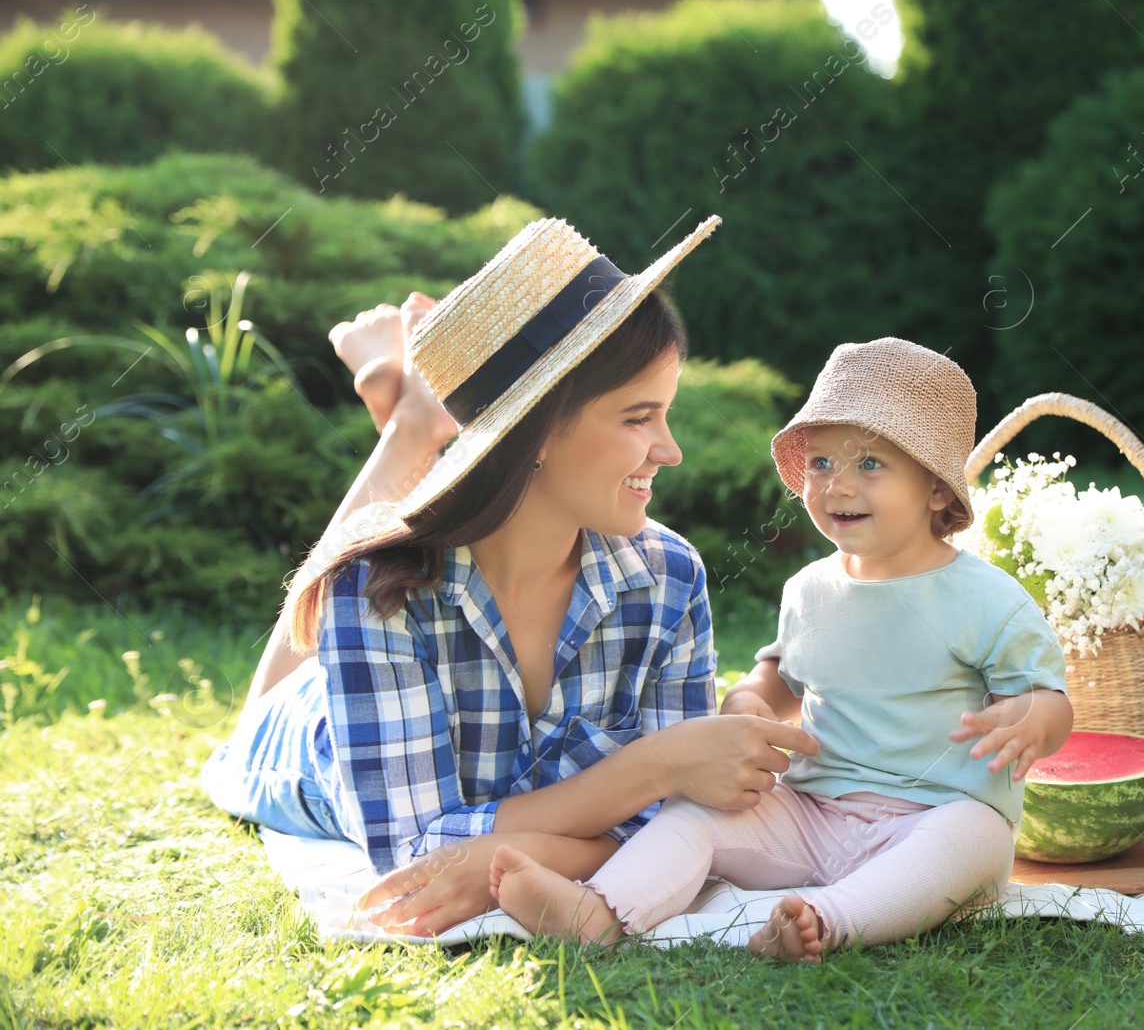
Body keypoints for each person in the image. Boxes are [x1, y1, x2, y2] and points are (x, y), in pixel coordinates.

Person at [199, 215, 820, 938]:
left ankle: (425, 411)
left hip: (471, 516)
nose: (670, 450)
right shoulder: (375, 596)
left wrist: (504, 848)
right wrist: (657, 765)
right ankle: (413, 424)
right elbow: (413, 851)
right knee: (340, 602)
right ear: (539, 430)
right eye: (639, 417)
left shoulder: (669, 579)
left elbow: (678, 828)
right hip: (307, 737)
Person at [487, 337, 1075, 961]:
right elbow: (779, 677)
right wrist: (750, 699)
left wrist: (1030, 718)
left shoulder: (984, 598)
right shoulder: (811, 589)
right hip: (812, 810)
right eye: (821, 464)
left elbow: (1052, 700)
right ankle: (600, 909)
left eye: (869, 465)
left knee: (976, 838)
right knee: (697, 811)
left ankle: (822, 920)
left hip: (933, 815)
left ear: (935, 489)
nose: (836, 486)